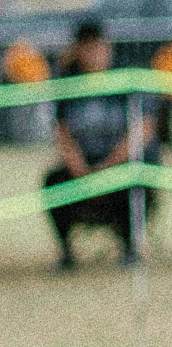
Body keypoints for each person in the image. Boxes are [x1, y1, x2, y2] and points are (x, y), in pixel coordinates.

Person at [41, 21, 160, 273]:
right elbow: (61, 132)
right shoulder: (68, 82)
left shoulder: (126, 76)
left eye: (96, 46)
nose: (91, 52)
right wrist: (81, 172)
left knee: (140, 179)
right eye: (85, 47)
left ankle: (130, 247)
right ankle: (66, 252)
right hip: (82, 168)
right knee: (53, 181)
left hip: (120, 166)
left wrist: (107, 169)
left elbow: (144, 129)